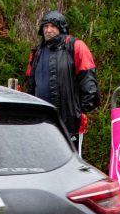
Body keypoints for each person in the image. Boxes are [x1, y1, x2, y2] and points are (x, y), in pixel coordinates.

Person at [24, 10, 100, 147]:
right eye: (45, 26)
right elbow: (30, 86)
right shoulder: (36, 53)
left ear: (61, 27)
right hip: (41, 122)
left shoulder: (75, 46)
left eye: (53, 26)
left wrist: (78, 112)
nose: (48, 30)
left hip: (69, 123)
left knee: (71, 163)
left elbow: (89, 85)